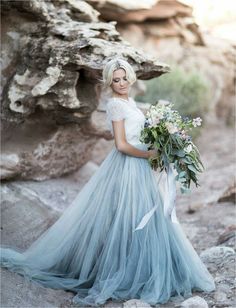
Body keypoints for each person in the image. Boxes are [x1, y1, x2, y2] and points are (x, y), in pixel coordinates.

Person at [0, 58, 215, 307]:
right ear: (109, 81)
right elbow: (122, 145)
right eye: (116, 80)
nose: (121, 83)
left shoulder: (129, 101)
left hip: (142, 165)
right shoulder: (114, 105)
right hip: (127, 167)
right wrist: (149, 154)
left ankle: (149, 269)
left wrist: (161, 143)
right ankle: (121, 272)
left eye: (124, 78)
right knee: (130, 218)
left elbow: (140, 134)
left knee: (150, 216)